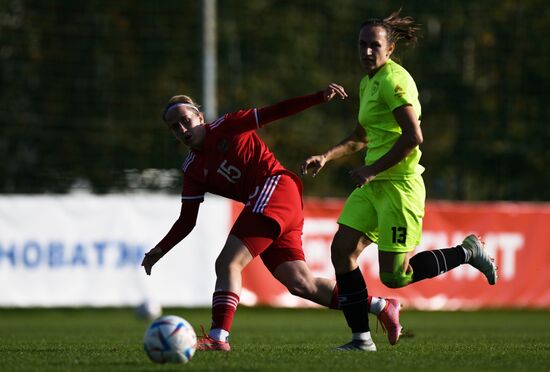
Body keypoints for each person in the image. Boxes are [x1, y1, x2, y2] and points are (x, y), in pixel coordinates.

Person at [141, 83, 403, 352]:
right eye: (175, 127)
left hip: (275, 188)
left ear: (200, 117)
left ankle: (219, 337)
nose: (183, 130)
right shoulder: (192, 169)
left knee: (228, 262)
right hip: (272, 202)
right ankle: (380, 305)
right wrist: (159, 250)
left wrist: (318, 96)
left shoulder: (228, 126)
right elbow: (187, 220)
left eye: (186, 121)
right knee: (301, 283)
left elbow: (276, 111)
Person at [301, 10, 497, 352]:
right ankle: (361, 339)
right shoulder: (367, 82)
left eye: (373, 45)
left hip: (399, 186)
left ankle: (467, 251)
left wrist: (372, 169)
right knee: (342, 251)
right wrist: (327, 156)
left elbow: (413, 137)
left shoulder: (394, 80)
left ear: (390, 49)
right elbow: (362, 137)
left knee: (396, 275)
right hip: (373, 185)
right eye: (361, 45)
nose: (366, 52)